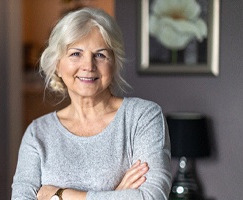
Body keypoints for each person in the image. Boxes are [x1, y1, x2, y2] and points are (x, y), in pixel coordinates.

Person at [11, 7, 171, 200]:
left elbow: (152, 197)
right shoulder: (37, 133)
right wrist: (117, 194)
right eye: (76, 54)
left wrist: (61, 195)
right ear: (57, 65)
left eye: (100, 54)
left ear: (114, 63)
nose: (88, 65)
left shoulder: (143, 117)